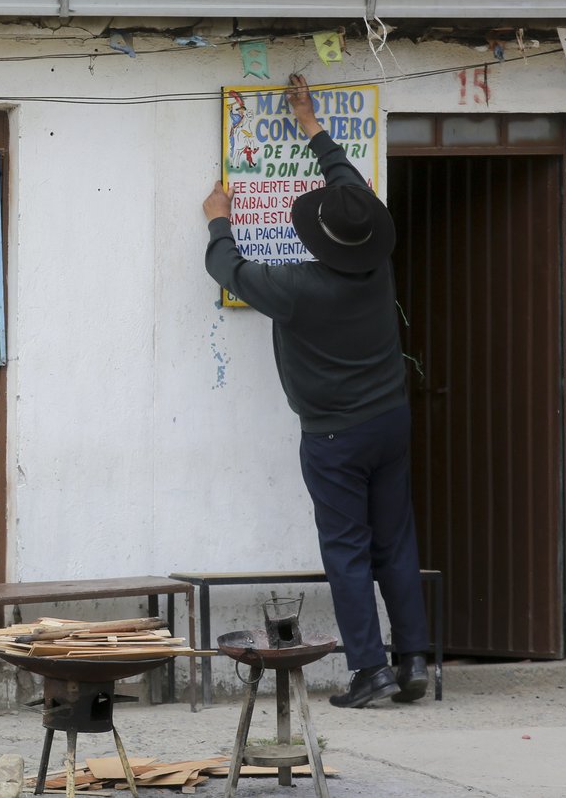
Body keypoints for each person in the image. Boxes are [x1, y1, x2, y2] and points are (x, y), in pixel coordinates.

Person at [201, 74, 430, 708]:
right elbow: (350, 187)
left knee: (348, 551)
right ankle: (411, 658)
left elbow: (229, 269)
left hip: (333, 436)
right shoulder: (376, 265)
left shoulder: (298, 288)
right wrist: (311, 123)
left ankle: (369, 671)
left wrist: (219, 220)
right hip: (390, 421)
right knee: (396, 542)